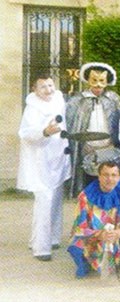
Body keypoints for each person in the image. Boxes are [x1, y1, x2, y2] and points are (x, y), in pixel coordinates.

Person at [17, 74, 71, 261]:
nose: (48, 90)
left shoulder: (58, 100)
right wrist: (44, 132)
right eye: (43, 87)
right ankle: (41, 248)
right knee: (44, 202)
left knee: (56, 199)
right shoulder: (32, 108)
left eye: (50, 85)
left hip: (57, 158)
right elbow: (25, 133)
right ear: (34, 89)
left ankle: (52, 237)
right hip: (40, 162)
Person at [67, 162, 120, 278]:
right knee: (76, 244)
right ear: (98, 176)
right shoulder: (85, 196)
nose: (110, 179)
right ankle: (87, 262)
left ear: (119, 177)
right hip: (96, 234)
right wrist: (100, 235)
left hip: (117, 230)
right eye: (105, 175)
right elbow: (80, 226)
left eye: (114, 175)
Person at [65, 62, 120, 197]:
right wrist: (83, 144)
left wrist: (114, 143)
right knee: (90, 187)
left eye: (102, 81)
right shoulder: (78, 100)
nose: (98, 85)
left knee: (108, 184)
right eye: (94, 81)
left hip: (108, 148)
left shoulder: (112, 99)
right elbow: (72, 126)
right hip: (87, 149)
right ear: (88, 81)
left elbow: (119, 123)